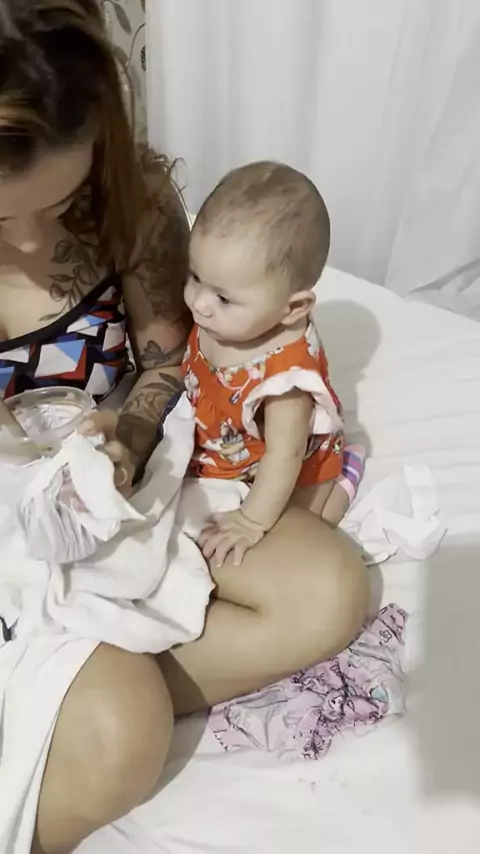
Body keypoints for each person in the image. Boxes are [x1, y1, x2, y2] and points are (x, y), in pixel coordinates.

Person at [0, 3, 369, 853]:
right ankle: (94, 692)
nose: (32, 239)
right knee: (122, 737)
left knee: (328, 589)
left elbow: (168, 361)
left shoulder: (131, 200)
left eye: (61, 201)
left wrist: (126, 441)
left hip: (123, 487)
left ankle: (88, 679)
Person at [182, 162, 366, 567]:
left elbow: (285, 454)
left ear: (293, 308)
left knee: (307, 526)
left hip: (290, 465)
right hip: (227, 447)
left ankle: (346, 476)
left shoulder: (285, 381)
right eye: (194, 277)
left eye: (223, 298)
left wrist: (250, 521)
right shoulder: (227, 316)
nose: (199, 303)